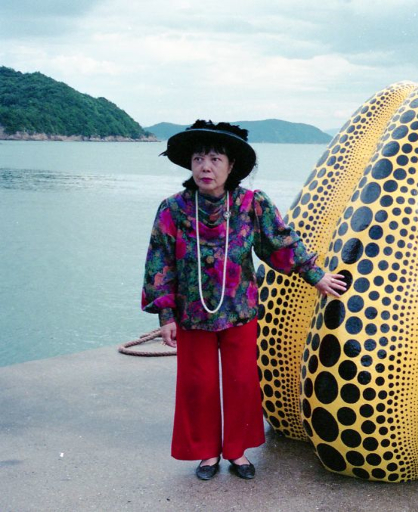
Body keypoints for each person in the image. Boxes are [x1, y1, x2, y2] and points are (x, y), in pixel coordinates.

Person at [141, 120, 346, 480]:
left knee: (240, 382)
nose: (206, 167)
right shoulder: (172, 209)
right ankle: (207, 454)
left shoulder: (253, 204)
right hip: (192, 315)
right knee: (199, 385)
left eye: (216, 159)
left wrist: (317, 276)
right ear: (190, 165)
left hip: (240, 311)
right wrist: (165, 317)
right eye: (199, 158)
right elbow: (160, 261)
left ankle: (236, 452)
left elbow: (280, 244)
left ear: (231, 166)